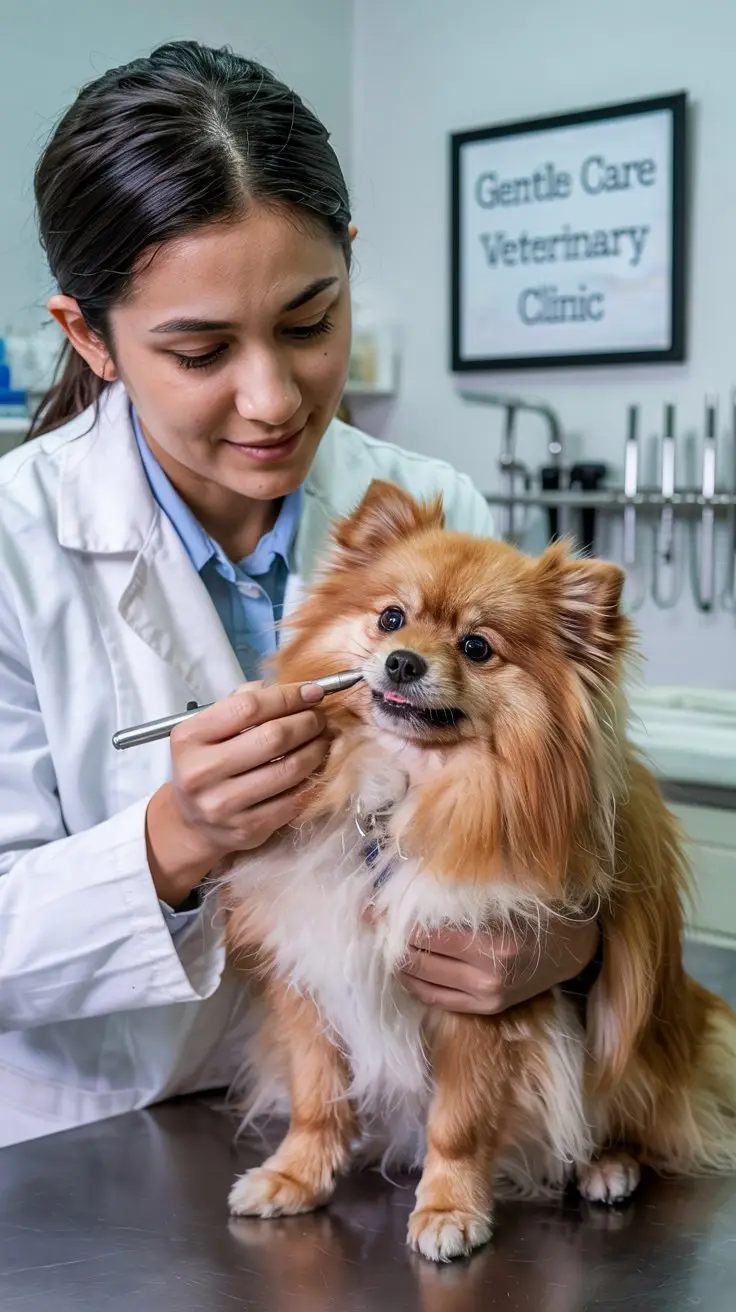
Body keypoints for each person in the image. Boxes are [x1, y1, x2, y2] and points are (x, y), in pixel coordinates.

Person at [0, 41, 599, 1147]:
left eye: (310, 323)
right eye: (200, 349)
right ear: (90, 335)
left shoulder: (428, 508)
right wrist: (173, 838)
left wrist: (563, 934)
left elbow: (551, 801)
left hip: (377, 1130)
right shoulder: (14, 547)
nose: (272, 399)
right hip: (102, 1136)